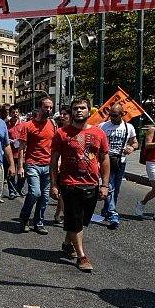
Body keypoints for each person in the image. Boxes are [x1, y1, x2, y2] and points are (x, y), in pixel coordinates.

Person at [50, 98, 110, 272]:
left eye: (82, 108)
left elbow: (104, 159)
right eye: (75, 108)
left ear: (89, 111)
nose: (79, 111)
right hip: (69, 184)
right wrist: (54, 184)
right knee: (75, 221)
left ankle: (68, 243)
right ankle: (82, 256)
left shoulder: (99, 133)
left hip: (91, 183)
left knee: (81, 221)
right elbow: (53, 161)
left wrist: (104, 185)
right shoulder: (61, 133)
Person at [98, 103, 139, 229]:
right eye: (110, 115)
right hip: (106, 160)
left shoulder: (129, 127)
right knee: (109, 187)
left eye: (115, 115)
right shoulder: (103, 126)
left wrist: (131, 148)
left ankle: (106, 210)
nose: (112, 118)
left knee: (116, 188)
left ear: (123, 114)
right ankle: (113, 213)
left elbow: (135, 142)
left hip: (120, 161)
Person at [18, 97, 56, 235]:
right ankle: (24, 217)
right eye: (46, 107)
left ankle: (38, 222)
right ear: (40, 108)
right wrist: (20, 167)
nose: (49, 110)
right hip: (32, 164)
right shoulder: (28, 125)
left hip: (48, 165)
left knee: (44, 197)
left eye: (51, 107)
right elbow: (21, 147)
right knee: (35, 193)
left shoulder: (53, 124)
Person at [6, 106, 25, 199]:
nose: (15, 114)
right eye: (13, 112)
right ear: (10, 114)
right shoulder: (6, 125)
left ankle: (19, 188)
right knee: (11, 173)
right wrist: (9, 140)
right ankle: (12, 191)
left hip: (21, 153)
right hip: (10, 153)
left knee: (22, 174)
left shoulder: (24, 124)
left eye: (17, 112)